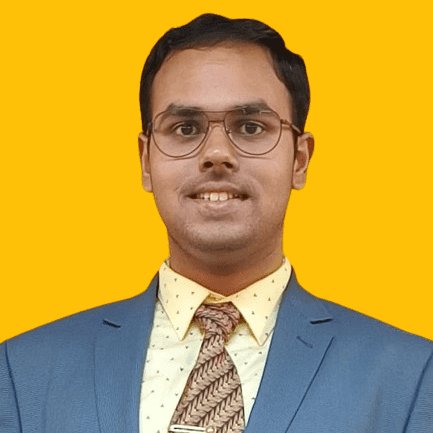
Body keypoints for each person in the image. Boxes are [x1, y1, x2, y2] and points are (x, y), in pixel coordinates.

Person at [1, 13, 432, 433]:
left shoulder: (412, 378)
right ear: (146, 161)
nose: (217, 153)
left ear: (299, 159)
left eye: (249, 126)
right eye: (186, 128)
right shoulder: (21, 374)